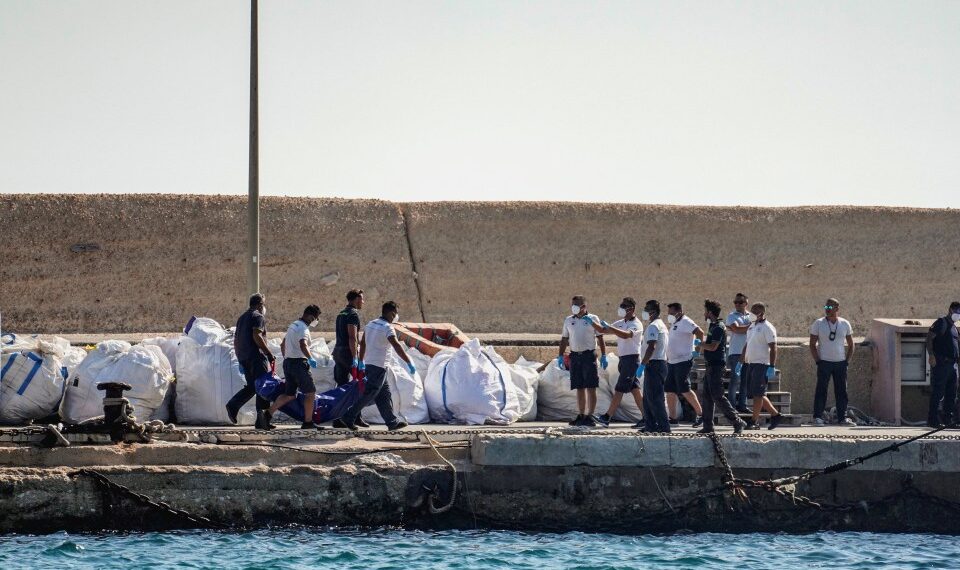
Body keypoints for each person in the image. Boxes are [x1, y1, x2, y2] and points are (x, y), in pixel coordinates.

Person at [334, 301, 411, 431]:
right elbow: (396, 345)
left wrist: (361, 361)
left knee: (384, 395)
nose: (396, 316)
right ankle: (348, 416)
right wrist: (408, 361)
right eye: (396, 314)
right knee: (368, 394)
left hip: (371, 364)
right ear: (392, 313)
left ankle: (392, 422)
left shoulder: (371, 324)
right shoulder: (388, 327)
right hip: (379, 366)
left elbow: (363, 343)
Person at [261, 305, 322, 429]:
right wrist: (310, 358)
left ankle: (267, 414)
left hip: (289, 363)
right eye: (316, 318)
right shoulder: (303, 328)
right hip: (299, 364)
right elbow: (303, 345)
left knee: (290, 395)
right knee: (310, 393)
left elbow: (283, 344)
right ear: (311, 317)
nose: (316, 321)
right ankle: (308, 422)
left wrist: (287, 358)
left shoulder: (293, 325)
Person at [226, 293, 275, 430]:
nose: (264, 307)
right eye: (263, 304)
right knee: (263, 387)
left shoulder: (242, 318)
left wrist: (240, 357)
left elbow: (236, 340)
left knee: (253, 387)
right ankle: (262, 421)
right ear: (260, 304)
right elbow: (257, 335)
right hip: (257, 357)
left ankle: (233, 405)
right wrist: (268, 353)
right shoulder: (258, 316)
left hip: (245, 357)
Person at [698, 300, 747, 434]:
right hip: (710, 365)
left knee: (718, 396)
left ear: (710, 312)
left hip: (716, 367)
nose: (704, 313)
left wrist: (700, 344)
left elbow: (713, 347)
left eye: (705, 311)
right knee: (707, 397)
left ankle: (737, 421)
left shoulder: (719, 327)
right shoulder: (713, 326)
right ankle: (708, 426)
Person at [595, 297, 644, 427]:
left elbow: (626, 335)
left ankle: (607, 417)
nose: (621, 308)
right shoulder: (621, 322)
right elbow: (603, 330)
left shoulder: (637, 324)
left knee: (619, 389)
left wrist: (611, 327)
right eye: (621, 305)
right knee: (635, 389)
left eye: (624, 306)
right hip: (623, 359)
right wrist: (591, 321)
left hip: (631, 360)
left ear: (631, 309)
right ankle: (647, 417)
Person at [558, 295, 606, 426]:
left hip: (588, 356)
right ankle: (581, 415)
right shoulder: (568, 320)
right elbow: (564, 339)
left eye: (576, 305)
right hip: (575, 356)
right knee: (579, 387)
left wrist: (604, 355)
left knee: (591, 387)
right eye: (572, 304)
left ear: (583, 306)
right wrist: (560, 355)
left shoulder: (593, 318)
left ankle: (590, 416)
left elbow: (600, 337)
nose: (573, 307)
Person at [809, 298, 855, 426]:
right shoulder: (818, 323)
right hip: (824, 362)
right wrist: (818, 361)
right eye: (826, 307)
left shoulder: (845, 323)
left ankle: (842, 418)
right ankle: (817, 417)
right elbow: (812, 344)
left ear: (837, 308)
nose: (827, 310)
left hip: (840, 363)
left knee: (841, 391)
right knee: (821, 390)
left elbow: (851, 344)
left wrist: (847, 361)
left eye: (830, 307)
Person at [742, 302, 784, 430]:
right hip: (751, 363)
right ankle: (775, 415)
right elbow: (747, 344)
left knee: (758, 394)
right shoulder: (751, 326)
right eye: (752, 311)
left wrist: (771, 366)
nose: (752, 314)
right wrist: (740, 361)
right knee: (757, 393)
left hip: (761, 364)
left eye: (755, 312)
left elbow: (773, 347)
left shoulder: (767, 327)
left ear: (762, 313)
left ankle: (754, 421)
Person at [333, 289, 369, 427]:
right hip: (348, 354)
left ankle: (337, 419)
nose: (363, 302)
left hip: (337, 352)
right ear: (356, 299)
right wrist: (355, 358)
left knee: (341, 387)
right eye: (362, 299)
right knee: (358, 386)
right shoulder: (353, 314)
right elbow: (352, 337)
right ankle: (355, 417)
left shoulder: (341, 313)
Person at [664, 302, 704, 427]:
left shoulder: (686, 321)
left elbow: (700, 332)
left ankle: (701, 415)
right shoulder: (675, 323)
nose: (669, 315)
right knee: (670, 390)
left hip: (683, 361)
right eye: (669, 313)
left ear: (679, 311)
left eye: (671, 313)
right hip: (672, 362)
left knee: (684, 388)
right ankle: (673, 418)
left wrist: (697, 350)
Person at [925, 302, 960, 428]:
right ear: (950, 310)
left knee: (951, 393)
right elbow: (929, 338)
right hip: (941, 363)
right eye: (957, 311)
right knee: (938, 392)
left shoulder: (954, 328)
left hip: (952, 365)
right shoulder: (941, 322)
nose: (958, 314)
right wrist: (931, 355)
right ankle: (932, 420)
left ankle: (948, 420)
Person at [637, 300, 671, 433]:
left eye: (647, 309)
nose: (644, 312)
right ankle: (650, 425)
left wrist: (642, 364)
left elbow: (652, 347)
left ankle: (664, 427)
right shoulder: (661, 325)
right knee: (648, 398)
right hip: (658, 364)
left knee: (655, 398)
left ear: (653, 312)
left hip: (655, 364)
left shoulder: (654, 326)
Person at [725, 293, 752, 413]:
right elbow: (736, 329)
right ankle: (731, 406)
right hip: (736, 352)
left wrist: (747, 327)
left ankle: (743, 405)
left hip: (749, 352)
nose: (737, 304)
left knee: (745, 381)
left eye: (740, 302)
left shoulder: (751, 316)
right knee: (735, 379)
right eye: (735, 302)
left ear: (746, 303)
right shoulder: (732, 316)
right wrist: (751, 327)